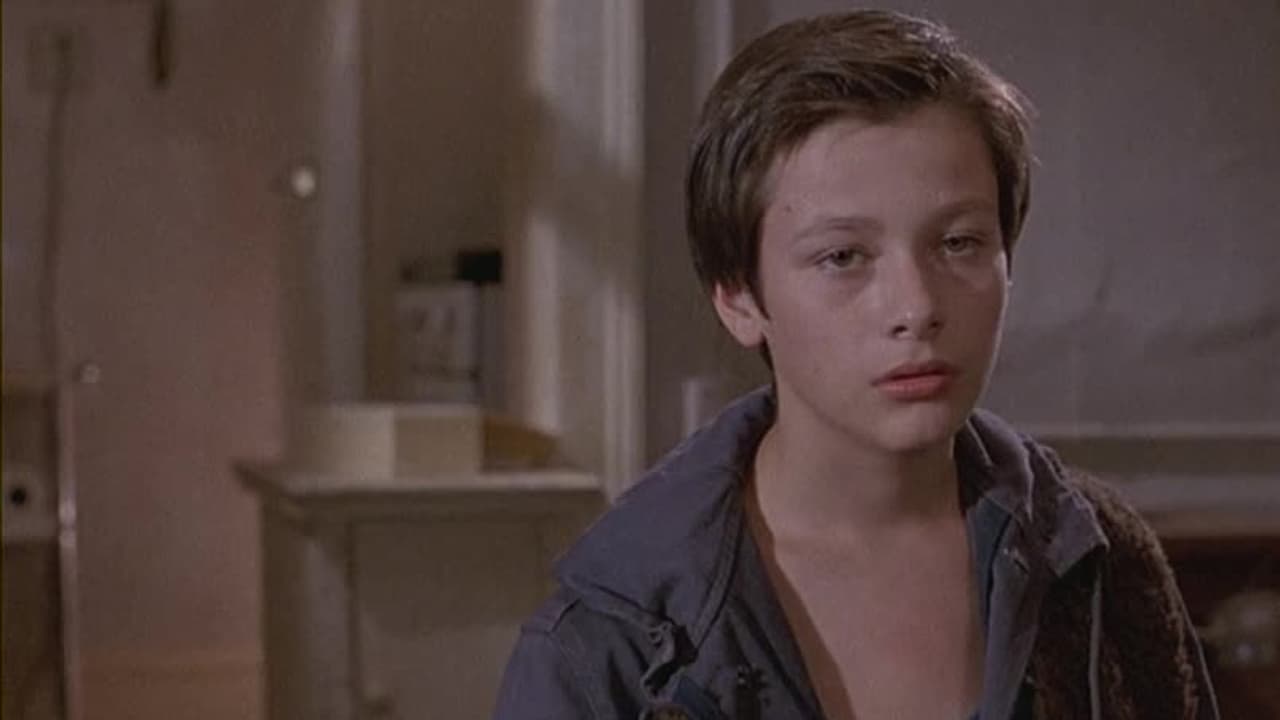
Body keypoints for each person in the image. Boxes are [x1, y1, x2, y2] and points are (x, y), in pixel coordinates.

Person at [493, 10, 1219, 720]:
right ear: (738, 297)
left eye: (960, 243)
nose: (917, 306)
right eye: (843, 257)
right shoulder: (606, 646)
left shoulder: (1099, 568)